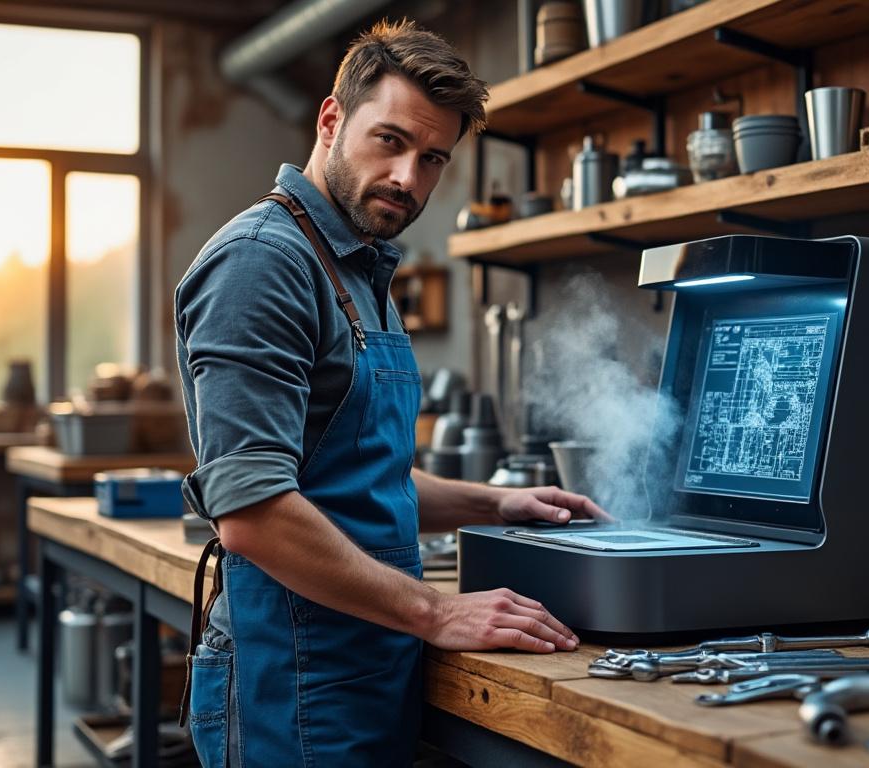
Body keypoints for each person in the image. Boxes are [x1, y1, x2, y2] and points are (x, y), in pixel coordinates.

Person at [174, 19, 608, 767]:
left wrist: (494, 502)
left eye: (433, 157)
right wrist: (436, 611)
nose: (410, 177)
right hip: (294, 673)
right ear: (332, 120)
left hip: (364, 658)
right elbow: (251, 511)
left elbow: (350, 472)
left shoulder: (355, 266)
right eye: (391, 141)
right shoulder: (263, 264)